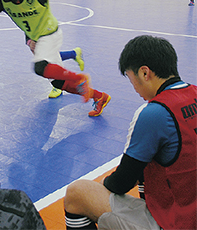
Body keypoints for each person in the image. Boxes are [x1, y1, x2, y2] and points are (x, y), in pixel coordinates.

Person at [64, 35, 196, 230]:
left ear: (144, 73)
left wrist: (106, 182)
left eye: (130, 78)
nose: (134, 88)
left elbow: (121, 184)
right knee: (150, 165)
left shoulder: (154, 112)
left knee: (77, 193)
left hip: (178, 222)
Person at [0, 0, 84, 99]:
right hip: (30, 30)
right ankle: (73, 54)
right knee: (42, 55)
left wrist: (33, 37)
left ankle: (58, 84)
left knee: (44, 58)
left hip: (42, 28)